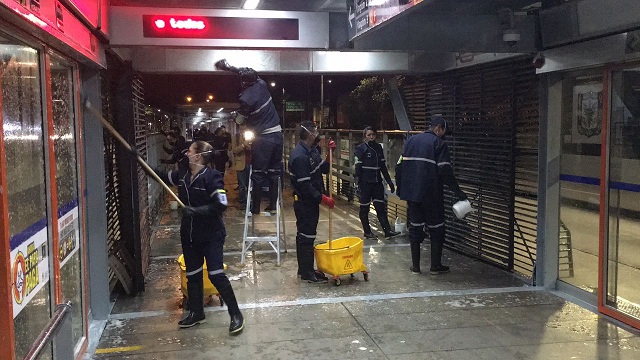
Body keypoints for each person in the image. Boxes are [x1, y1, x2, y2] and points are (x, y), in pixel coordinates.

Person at [154, 141, 244, 334]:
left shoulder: (212, 178)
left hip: (211, 235)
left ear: (198, 156)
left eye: (190, 151)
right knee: (193, 275)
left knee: (216, 275)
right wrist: (139, 160)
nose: (186, 153)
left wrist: (196, 211)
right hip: (190, 234)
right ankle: (197, 313)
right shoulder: (183, 176)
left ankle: (236, 315)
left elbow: (221, 204)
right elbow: (161, 176)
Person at [395, 116, 467, 275]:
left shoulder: (410, 142)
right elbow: (445, 171)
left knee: (415, 228)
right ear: (438, 128)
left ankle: (415, 267)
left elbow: (399, 166)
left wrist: (401, 189)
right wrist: (458, 192)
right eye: (444, 132)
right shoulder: (439, 144)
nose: (444, 136)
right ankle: (435, 266)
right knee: (437, 228)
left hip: (412, 195)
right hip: (431, 195)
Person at [215, 59, 283, 215]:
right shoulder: (262, 84)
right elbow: (245, 71)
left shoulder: (246, 98)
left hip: (264, 138)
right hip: (277, 135)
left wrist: (235, 116)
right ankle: (273, 206)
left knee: (258, 174)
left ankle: (255, 209)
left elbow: (240, 120)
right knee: (274, 172)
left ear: (244, 83)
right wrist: (230, 67)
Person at [288, 121, 335, 283]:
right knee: (306, 236)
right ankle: (307, 273)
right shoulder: (300, 156)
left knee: (306, 235)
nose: (317, 133)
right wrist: (324, 199)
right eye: (315, 131)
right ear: (309, 134)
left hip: (310, 202)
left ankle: (305, 269)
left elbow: (325, 169)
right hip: (304, 202)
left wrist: (330, 153)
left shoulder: (312, 151)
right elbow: (306, 187)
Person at [354, 126, 400, 239]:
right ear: (365, 136)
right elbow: (357, 168)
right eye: (369, 135)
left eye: (373, 135)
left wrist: (389, 182)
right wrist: (357, 183)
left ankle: (387, 231)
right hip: (365, 183)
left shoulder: (379, 148)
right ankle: (367, 232)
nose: (371, 137)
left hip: (377, 183)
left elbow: (383, 167)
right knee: (364, 208)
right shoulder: (360, 149)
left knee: (380, 207)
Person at [232, 124, 251, 210]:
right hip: (241, 165)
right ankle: (243, 203)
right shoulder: (236, 137)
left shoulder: (253, 136)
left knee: (251, 185)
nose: (244, 128)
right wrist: (243, 146)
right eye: (242, 127)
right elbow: (234, 150)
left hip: (252, 164)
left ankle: (252, 203)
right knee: (242, 186)